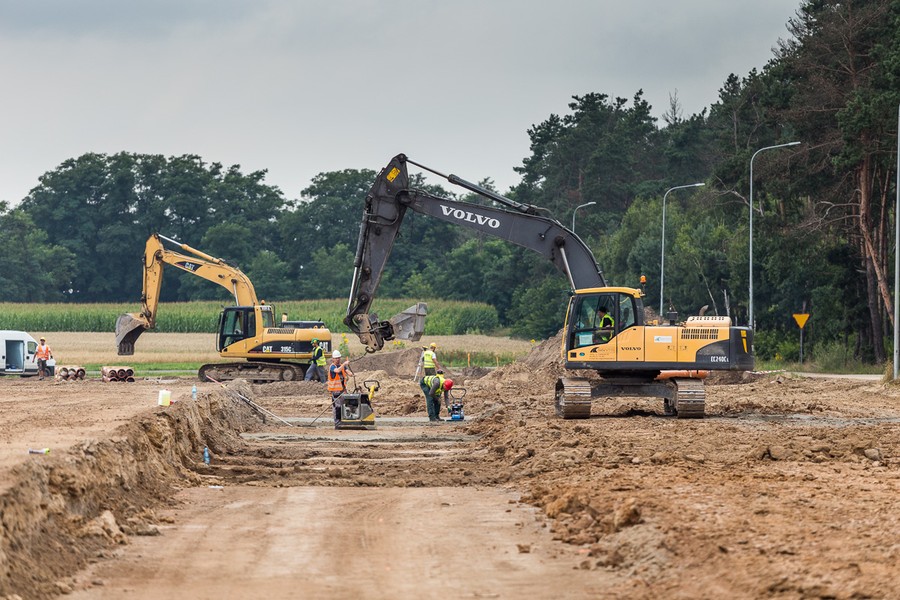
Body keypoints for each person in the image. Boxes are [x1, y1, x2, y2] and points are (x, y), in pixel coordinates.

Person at [327, 349, 354, 428]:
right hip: (335, 391)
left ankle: (343, 421)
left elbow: (348, 372)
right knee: (337, 407)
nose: (338, 359)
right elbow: (338, 370)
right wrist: (344, 364)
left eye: (339, 358)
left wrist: (351, 373)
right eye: (336, 358)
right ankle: (337, 423)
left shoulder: (342, 366)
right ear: (333, 359)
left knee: (344, 406)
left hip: (342, 390)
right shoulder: (332, 367)